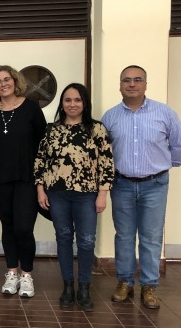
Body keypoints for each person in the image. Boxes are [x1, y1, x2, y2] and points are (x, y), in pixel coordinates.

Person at [101, 65, 181, 309]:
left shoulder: (164, 113)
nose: (132, 84)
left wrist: (163, 165)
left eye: (137, 79)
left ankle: (149, 286)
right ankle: (125, 283)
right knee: (125, 236)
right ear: (120, 85)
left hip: (155, 185)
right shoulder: (110, 117)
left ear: (145, 84)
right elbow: (102, 153)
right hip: (122, 185)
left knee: (151, 238)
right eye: (127, 80)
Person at [34, 83, 114, 311]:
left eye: (77, 100)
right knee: (63, 238)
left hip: (87, 195)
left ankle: (85, 287)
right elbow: (40, 160)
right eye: (67, 100)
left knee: (87, 241)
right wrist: (40, 189)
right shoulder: (52, 130)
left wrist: (102, 194)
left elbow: (106, 163)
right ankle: (68, 286)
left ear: (85, 103)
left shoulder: (97, 129)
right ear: (62, 103)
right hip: (57, 194)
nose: (72, 104)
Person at [0, 65, 46, 298]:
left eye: (6, 79)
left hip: (27, 178)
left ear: (15, 81)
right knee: (8, 226)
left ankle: (26, 274)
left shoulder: (31, 108)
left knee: (23, 227)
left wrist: (42, 179)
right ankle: (11, 273)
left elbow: (43, 144)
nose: (3, 84)